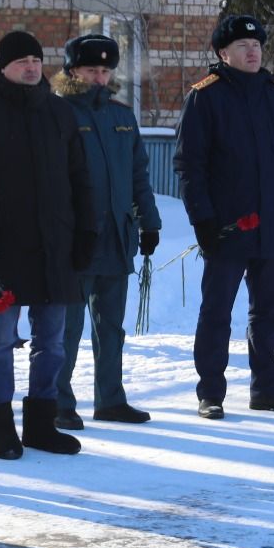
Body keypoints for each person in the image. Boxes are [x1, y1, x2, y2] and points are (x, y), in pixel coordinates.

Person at [0, 30, 97, 460]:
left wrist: (86, 233)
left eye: (36, 59)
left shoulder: (60, 113)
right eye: (22, 61)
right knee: (0, 342)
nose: (31, 67)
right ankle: (0, 425)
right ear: (3, 66)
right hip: (2, 249)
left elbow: (80, 180)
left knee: (52, 342)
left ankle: (40, 424)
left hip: (56, 246)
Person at [174, 14, 274, 419]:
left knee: (269, 312)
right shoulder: (206, 97)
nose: (252, 51)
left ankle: (267, 388)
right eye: (242, 46)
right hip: (227, 226)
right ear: (224, 53)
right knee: (217, 311)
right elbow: (190, 165)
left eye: (256, 45)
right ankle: (211, 392)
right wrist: (203, 220)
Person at [49, 33, 161, 429]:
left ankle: (110, 398)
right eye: (90, 70)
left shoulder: (121, 116)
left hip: (117, 235)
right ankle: (58, 401)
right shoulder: (57, 113)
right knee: (68, 326)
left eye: (104, 70)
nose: (98, 77)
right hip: (75, 239)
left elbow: (138, 175)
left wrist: (150, 222)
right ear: (72, 70)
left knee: (111, 325)